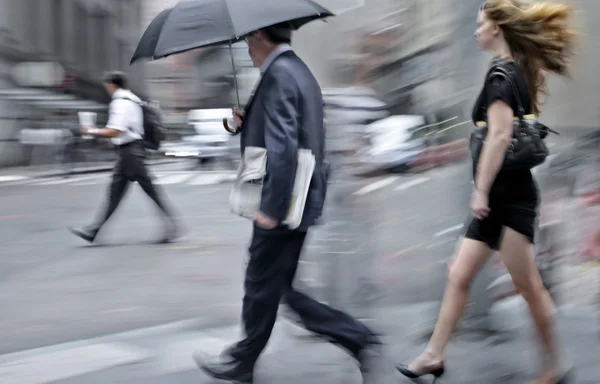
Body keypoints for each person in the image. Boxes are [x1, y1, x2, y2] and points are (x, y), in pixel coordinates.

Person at [396, 1, 576, 384]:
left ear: (497, 29)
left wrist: (480, 190)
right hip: (503, 194)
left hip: (507, 197)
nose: (476, 31)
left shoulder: (501, 76)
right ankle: (433, 355)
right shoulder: (515, 71)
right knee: (458, 273)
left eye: (480, 25)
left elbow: (498, 136)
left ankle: (554, 367)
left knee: (527, 286)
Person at [194, 23, 382, 384]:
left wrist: (272, 209)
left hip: (284, 201)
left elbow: (284, 147)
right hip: (301, 197)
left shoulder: (279, 74)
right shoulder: (296, 69)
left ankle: (245, 361)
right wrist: (247, 123)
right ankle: (356, 340)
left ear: (261, 36)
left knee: (261, 282)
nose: (248, 47)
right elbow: (292, 131)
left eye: (250, 39)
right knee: (278, 287)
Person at [69, 71, 179, 244]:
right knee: (116, 194)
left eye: (107, 86)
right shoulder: (133, 99)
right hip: (129, 153)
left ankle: (173, 226)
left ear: (111, 85)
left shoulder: (120, 103)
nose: (107, 90)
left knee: (150, 191)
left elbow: (115, 130)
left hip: (130, 153)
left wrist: (91, 130)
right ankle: (93, 230)